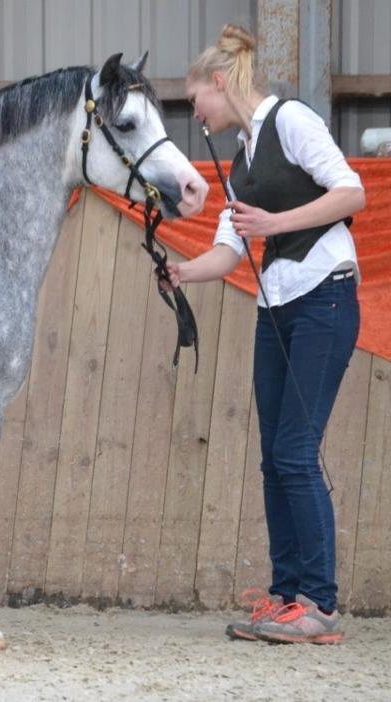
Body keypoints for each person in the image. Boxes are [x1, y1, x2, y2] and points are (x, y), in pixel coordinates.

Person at [173, 24, 366, 644]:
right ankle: (287, 598)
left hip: (324, 299)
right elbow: (229, 252)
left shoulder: (292, 121)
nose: (194, 108)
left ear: (221, 82)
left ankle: (322, 606)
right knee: (274, 458)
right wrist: (179, 271)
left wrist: (276, 220)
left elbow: (351, 192)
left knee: (294, 454)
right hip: (277, 306)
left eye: (195, 95)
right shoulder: (240, 158)